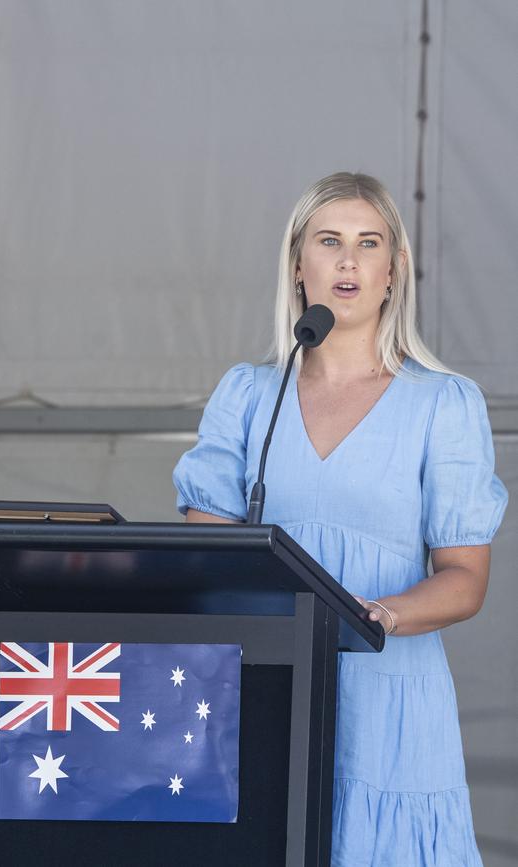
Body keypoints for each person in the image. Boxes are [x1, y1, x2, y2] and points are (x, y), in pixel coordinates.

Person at [172, 172, 508, 866]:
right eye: (330, 241)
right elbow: (202, 547)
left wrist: (376, 615)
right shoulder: (247, 395)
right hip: (263, 687)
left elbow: (465, 578)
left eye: (368, 242)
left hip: (389, 700)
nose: (348, 261)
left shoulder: (444, 404)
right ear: (298, 264)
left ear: (395, 270)